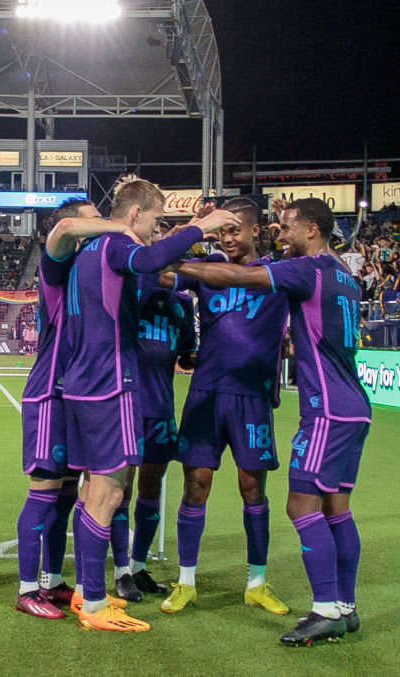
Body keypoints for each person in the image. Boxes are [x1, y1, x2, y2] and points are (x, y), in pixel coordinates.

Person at [175, 197, 371, 646]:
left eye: (287, 227)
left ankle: (323, 610)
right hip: (355, 405)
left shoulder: (308, 270)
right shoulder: (343, 272)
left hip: (326, 408)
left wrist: (184, 263)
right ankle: (345, 607)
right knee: (337, 510)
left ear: (312, 232)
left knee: (300, 507)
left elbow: (241, 276)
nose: (279, 234)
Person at [61, 177, 236, 632]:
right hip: (109, 383)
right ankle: (95, 603)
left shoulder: (89, 252)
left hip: (84, 381)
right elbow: (153, 257)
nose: (158, 229)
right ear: (135, 214)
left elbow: (154, 269)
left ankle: (87, 591)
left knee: (94, 492)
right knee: (109, 492)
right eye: (156, 219)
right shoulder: (118, 242)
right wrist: (203, 225)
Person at [156, 197, 291, 618]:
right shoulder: (206, 271)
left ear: (256, 230)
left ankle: (256, 582)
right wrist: (197, 225)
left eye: (236, 230)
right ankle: (186, 582)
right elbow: (157, 265)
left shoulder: (280, 273)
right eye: (223, 232)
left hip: (252, 396)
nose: (228, 239)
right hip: (207, 393)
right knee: (196, 485)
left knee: (254, 489)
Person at [14, 198, 139, 620]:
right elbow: (68, 225)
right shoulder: (55, 269)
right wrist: (122, 226)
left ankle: (52, 580)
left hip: (75, 392)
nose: (100, 227)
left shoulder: (87, 271)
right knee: (43, 493)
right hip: (50, 391)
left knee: (68, 496)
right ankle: (27, 588)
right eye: (94, 220)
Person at [114, 225, 199, 602]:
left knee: (152, 489)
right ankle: (119, 571)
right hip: (126, 403)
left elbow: (185, 357)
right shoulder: (130, 286)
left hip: (161, 407)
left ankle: (137, 566)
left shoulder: (182, 304)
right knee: (120, 490)